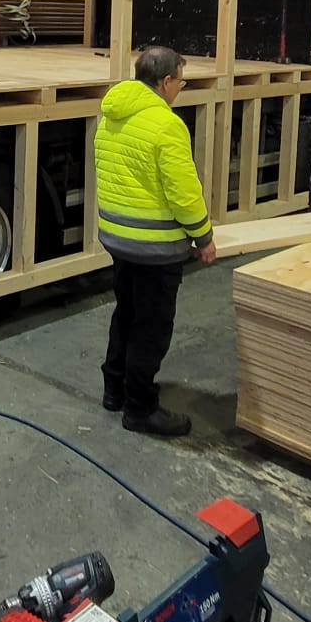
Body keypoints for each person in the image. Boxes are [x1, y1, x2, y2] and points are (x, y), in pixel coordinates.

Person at [93, 45, 216, 438]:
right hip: (155, 248)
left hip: (119, 239)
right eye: (181, 81)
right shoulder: (166, 125)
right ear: (165, 82)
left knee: (126, 314)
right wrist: (203, 236)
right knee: (151, 328)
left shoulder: (111, 114)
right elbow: (184, 192)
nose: (180, 88)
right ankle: (140, 409)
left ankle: (114, 390)